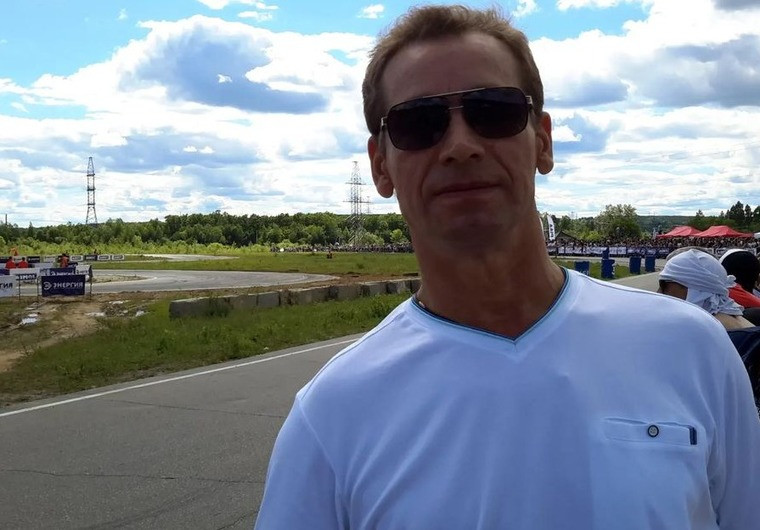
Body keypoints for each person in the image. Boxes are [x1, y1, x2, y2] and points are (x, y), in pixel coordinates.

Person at [255, 6, 760, 529]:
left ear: (542, 140)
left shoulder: (691, 349)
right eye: (418, 123)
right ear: (380, 165)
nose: (460, 146)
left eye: (493, 111)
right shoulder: (332, 414)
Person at [658, 249, 755, 330]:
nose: (659, 292)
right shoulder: (733, 320)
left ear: (693, 289)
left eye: (664, 285)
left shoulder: (702, 329)